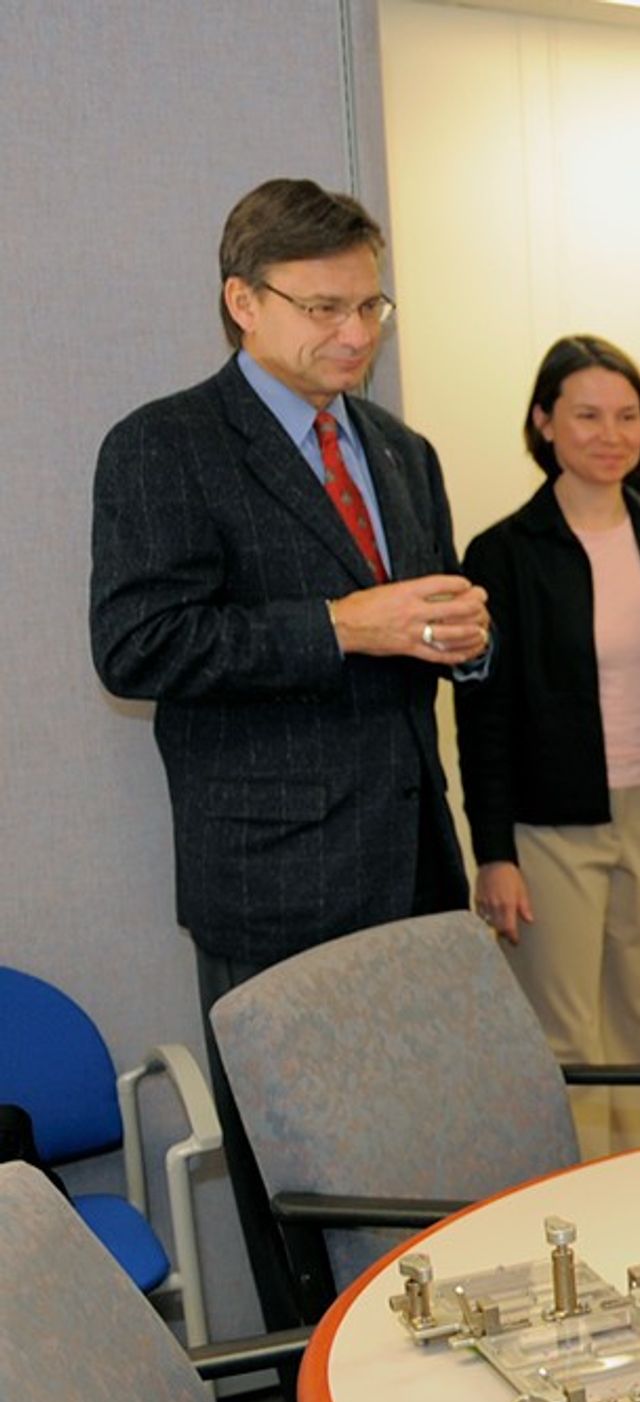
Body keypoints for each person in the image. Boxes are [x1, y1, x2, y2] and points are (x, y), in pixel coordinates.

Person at [90, 176, 489, 1325]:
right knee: (303, 1179)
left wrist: (465, 642)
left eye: (371, 307)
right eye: (322, 307)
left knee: (424, 1152)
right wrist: (338, 624)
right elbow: (137, 643)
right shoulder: (164, 445)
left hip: (415, 856)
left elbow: (427, 626)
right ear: (241, 303)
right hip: (274, 877)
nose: (353, 333)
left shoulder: (401, 452)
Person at [457, 335, 640, 1153]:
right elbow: (481, 717)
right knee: (568, 1044)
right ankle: (573, 1219)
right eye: (586, 414)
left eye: (627, 415)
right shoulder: (505, 553)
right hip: (551, 829)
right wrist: (494, 852)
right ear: (544, 422)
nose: (610, 433)